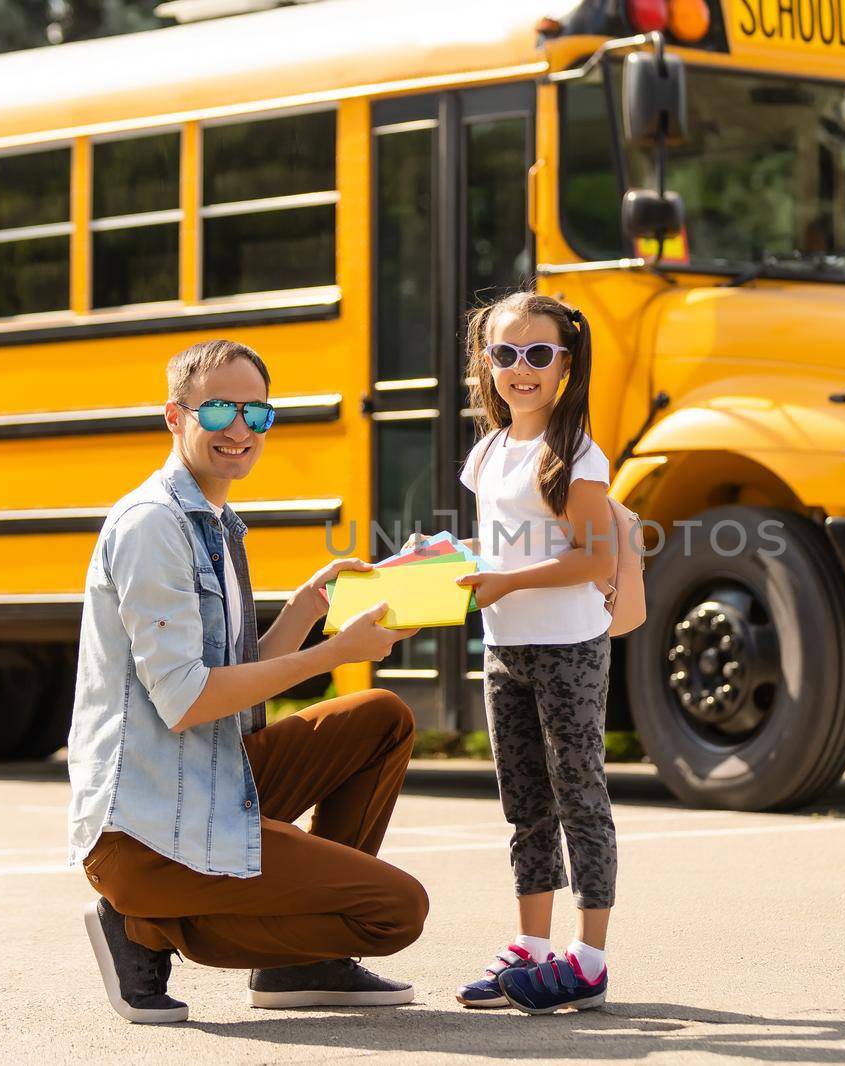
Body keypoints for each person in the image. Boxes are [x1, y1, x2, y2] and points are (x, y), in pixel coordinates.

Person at [67, 338, 426, 1024]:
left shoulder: (217, 521)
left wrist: (307, 612)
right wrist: (331, 656)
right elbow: (188, 701)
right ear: (175, 417)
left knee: (380, 716)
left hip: (207, 775)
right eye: (220, 410)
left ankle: (301, 967)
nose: (239, 429)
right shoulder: (154, 526)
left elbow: (229, 675)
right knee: (394, 911)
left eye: (257, 414)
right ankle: (143, 926)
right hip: (146, 830)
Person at [451, 292, 618, 1014]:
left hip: (569, 647)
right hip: (506, 648)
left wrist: (505, 579)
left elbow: (594, 558)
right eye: (505, 354)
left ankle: (588, 959)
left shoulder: (577, 453)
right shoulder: (489, 451)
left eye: (538, 355)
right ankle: (531, 948)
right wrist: (437, 565)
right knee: (525, 804)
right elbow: (496, 548)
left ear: (564, 366)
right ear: (486, 365)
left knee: (579, 794)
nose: (521, 369)